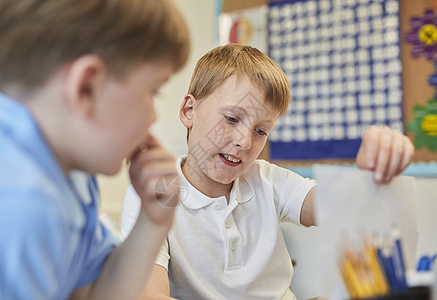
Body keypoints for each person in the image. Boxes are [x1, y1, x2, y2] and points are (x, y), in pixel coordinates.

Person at [121, 43, 415, 299]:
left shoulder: (268, 180)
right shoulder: (153, 193)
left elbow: (343, 207)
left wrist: (370, 167)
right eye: (232, 118)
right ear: (189, 111)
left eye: (261, 130)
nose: (245, 142)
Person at [0, 0, 189, 299]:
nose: (154, 116)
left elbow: (96, 292)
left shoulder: (70, 173)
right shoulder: (20, 202)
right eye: (153, 91)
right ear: (86, 87)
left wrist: (153, 220)